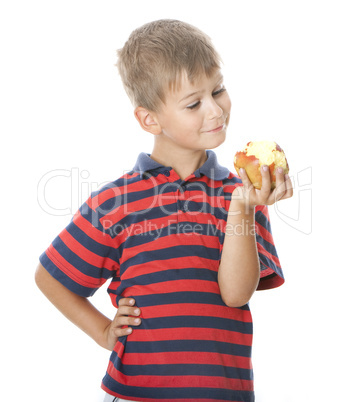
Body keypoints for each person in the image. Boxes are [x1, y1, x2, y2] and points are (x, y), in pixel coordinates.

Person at [35, 19, 293, 402]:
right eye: (193, 103)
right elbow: (51, 277)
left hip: (223, 393)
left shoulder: (242, 194)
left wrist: (242, 208)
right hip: (135, 393)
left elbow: (236, 295)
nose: (215, 109)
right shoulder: (115, 201)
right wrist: (104, 331)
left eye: (218, 90)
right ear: (149, 119)